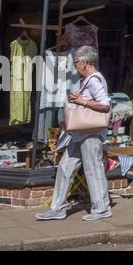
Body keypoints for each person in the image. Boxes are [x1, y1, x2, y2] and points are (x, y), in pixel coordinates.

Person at [37, 46, 112, 221]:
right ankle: (58, 209)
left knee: (93, 168)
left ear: (85, 62)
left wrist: (82, 101)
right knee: (65, 167)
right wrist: (80, 99)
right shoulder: (88, 80)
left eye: (77, 62)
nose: (75, 66)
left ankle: (102, 208)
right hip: (81, 133)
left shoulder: (94, 80)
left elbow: (105, 105)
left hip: (91, 133)